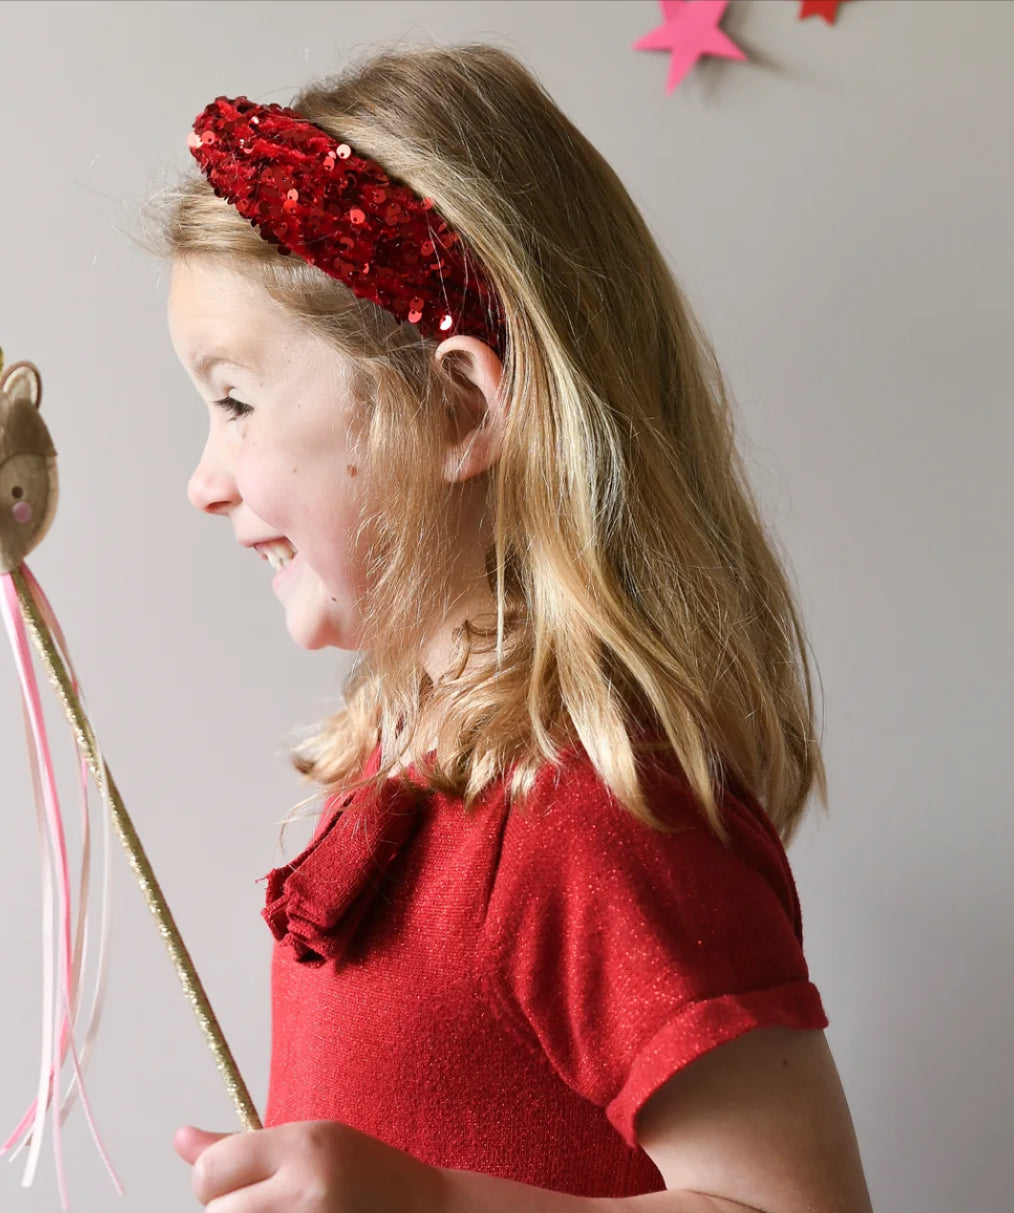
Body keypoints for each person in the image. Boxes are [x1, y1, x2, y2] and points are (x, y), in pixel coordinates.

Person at [151, 39, 874, 1213]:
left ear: (457, 406)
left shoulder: (592, 812)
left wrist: (434, 1205)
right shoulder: (415, 760)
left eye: (234, 401)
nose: (205, 479)